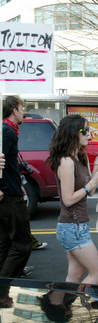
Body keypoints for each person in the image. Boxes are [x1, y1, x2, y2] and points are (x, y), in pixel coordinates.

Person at [46, 114, 98, 287]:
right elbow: (68, 199)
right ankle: (77, 306)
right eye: (84, 130)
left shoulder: (82, 157)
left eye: (88, 130)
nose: (89, 134)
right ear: (73, 132)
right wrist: (92, 183)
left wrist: (96, 167)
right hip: (72, 227)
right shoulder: (65, 161)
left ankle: (66, 307)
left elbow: (91, 192)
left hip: (80, 225)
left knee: (76, 274)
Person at [0, 95, 32, 308]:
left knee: (5, 244)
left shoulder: (8, 131)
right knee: (22, 245)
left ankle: (2, 295)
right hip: (9, 197)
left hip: (10, 192)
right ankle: (2, 288)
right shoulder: (7, 131)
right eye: (22, 108)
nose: (24, 112)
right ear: (13, 109)